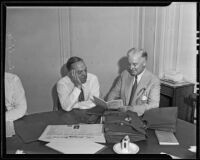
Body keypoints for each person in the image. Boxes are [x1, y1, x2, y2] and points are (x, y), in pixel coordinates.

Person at [107, 48, 160, 116]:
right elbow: (114, 93)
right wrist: (109, 104)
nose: (131, 67)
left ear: (144, 63)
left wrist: (131, 109)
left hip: (140, 117)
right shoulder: (125, 74)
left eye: (135, 64)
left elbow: (154, 105)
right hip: (122, 116)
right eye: (129, 64)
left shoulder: (153, 80)